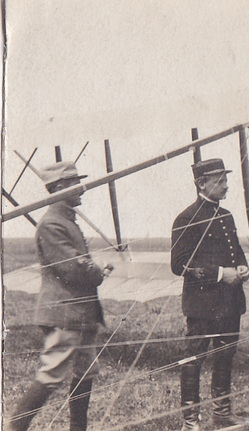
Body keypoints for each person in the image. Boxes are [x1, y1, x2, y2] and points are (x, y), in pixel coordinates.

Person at [8, 161, 112, 431]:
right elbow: (73, 267)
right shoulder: (52, 223)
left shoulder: (64, 220)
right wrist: (98, 272)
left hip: (80, 313)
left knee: (85, 371)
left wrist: (95, 270)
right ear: (59, 187)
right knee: (52, 373)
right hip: (67, 313)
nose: (82, 189)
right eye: (75, 183)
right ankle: (13, 427)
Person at [171, 158, 249, 431]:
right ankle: (190, 421)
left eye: (226, 180)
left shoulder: (226, 215)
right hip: (202, 306)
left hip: (230, 303)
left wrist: (242, 265)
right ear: (201, 183)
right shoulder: (186, 218)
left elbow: (235, 249)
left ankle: (222, 414)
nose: (225, 186)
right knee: (193, 360)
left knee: (225, 357)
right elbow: (179, 264)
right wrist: (219, 274)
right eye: (220, 181)